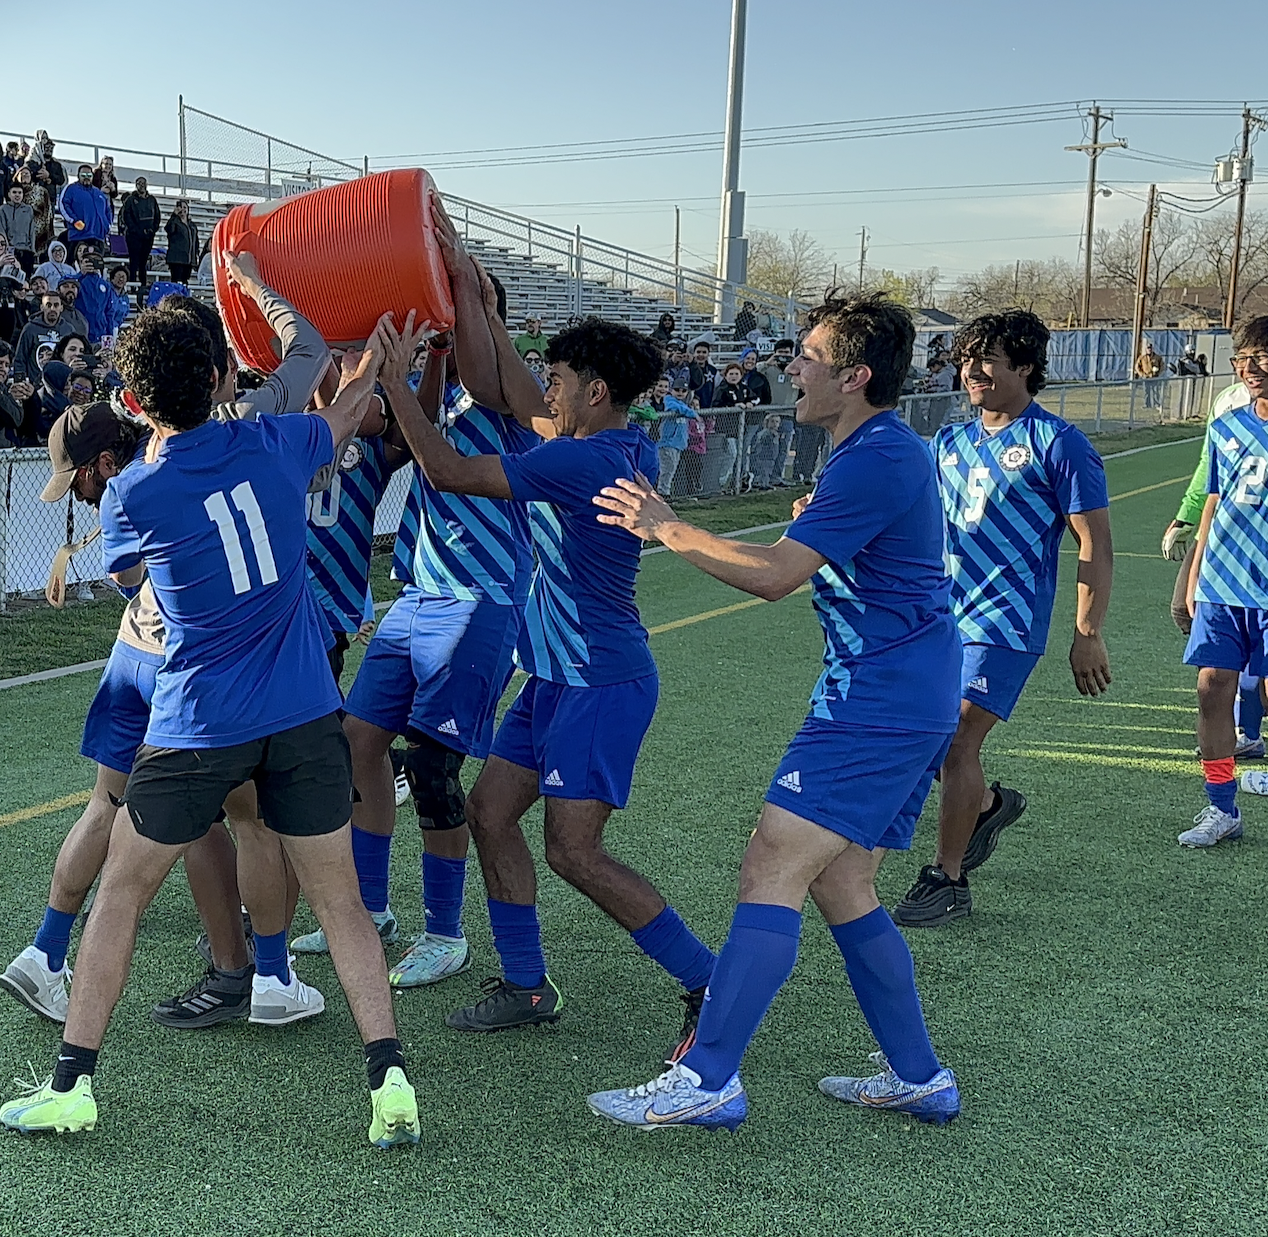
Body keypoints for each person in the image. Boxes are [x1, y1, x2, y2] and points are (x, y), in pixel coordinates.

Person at [0, 304, 419, 1147]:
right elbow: (343, 411)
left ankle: (73, 1083)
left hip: (196, 719)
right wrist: (381, 366)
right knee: (340, 904)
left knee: (121, 892)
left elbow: (129, 576)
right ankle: (390, 1081)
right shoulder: (276, 443)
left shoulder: (133, 491)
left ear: (134, 401)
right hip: (302, 709)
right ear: (225, 378)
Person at [588, 292, 960, 1130]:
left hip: (882, 698)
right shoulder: (870, 450)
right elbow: (816, 559)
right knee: (843, 882)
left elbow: (774, 576)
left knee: (772, 863)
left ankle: (709, 1076)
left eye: (811, 357)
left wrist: (669, 528)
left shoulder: (876, 455)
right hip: (893, 689)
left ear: (855, 376)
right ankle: (920, 1075)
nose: (793, 366)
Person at [381, 312, 723, 1051]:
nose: (544, 392)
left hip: (599, 682)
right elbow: (510, 384)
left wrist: (391, 382)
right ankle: (528, 984)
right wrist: (470, 289)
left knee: (575, 851)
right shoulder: (608, 440)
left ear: (595, 392)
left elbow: (445, 470)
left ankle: (709, 982)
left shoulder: (582, 462)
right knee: (490, 812)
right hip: (553, 679)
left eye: (558, 381)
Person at [297, 207, 544, 990]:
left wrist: (409, 367)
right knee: (357, 746)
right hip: (418, 598)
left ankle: (447, 932)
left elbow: (432, 458)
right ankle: (371, 907)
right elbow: (416, 428)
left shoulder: (515, 401)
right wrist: (418, 362)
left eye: (458, 315)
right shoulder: (458, 401)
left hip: (479, 603)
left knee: (431, 766)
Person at [883, 310, 1113, 924]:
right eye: (967, 357)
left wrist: (1086, 632)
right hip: (940, 618)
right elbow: (910, 512)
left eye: (988, 358)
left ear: (1026, 367)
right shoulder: (949, 442)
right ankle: (983, 807)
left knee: (956, 739)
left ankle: (947, 880)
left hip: (1007, 620)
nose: (972, 370)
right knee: (933, 738)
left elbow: (1095, 544)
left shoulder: (1059, 442)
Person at [1173, 316, 1268, 848]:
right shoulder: (1226, 427)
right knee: (1212, 691)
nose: (1249, 369)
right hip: (1223, 585)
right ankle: (1221, 805)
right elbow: (1214, 500)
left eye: (1261, 357)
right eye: (1242, 359)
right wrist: (1193, 572)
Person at [118, 178, 159, 293]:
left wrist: (152, 230)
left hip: (148, 237)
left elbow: (157, 217)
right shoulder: (131, 200)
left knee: (143, 262)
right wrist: (136, 230)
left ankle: (143, 285)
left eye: (143, 183)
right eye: (139, 184)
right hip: (134, 236)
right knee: (134, 261)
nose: (141, 186)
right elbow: (126, 216)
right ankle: (132, 285)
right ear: (136, 185)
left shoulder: (152, 200)